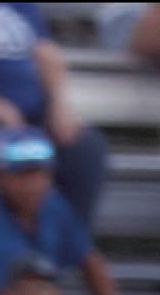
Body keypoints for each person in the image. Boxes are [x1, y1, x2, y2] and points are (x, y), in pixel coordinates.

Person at [0, 128, 147, 295]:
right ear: (3, 177)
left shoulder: (52, 206)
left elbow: (89, 260)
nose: (32, 183)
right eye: (21, 174)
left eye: (39, 173)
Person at [0, 1, 107, 224]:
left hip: (32, 119)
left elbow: (46, 54)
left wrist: (59, 103)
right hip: (6, 123)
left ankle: (70, 249)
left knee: (83, 147)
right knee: (20, 156)